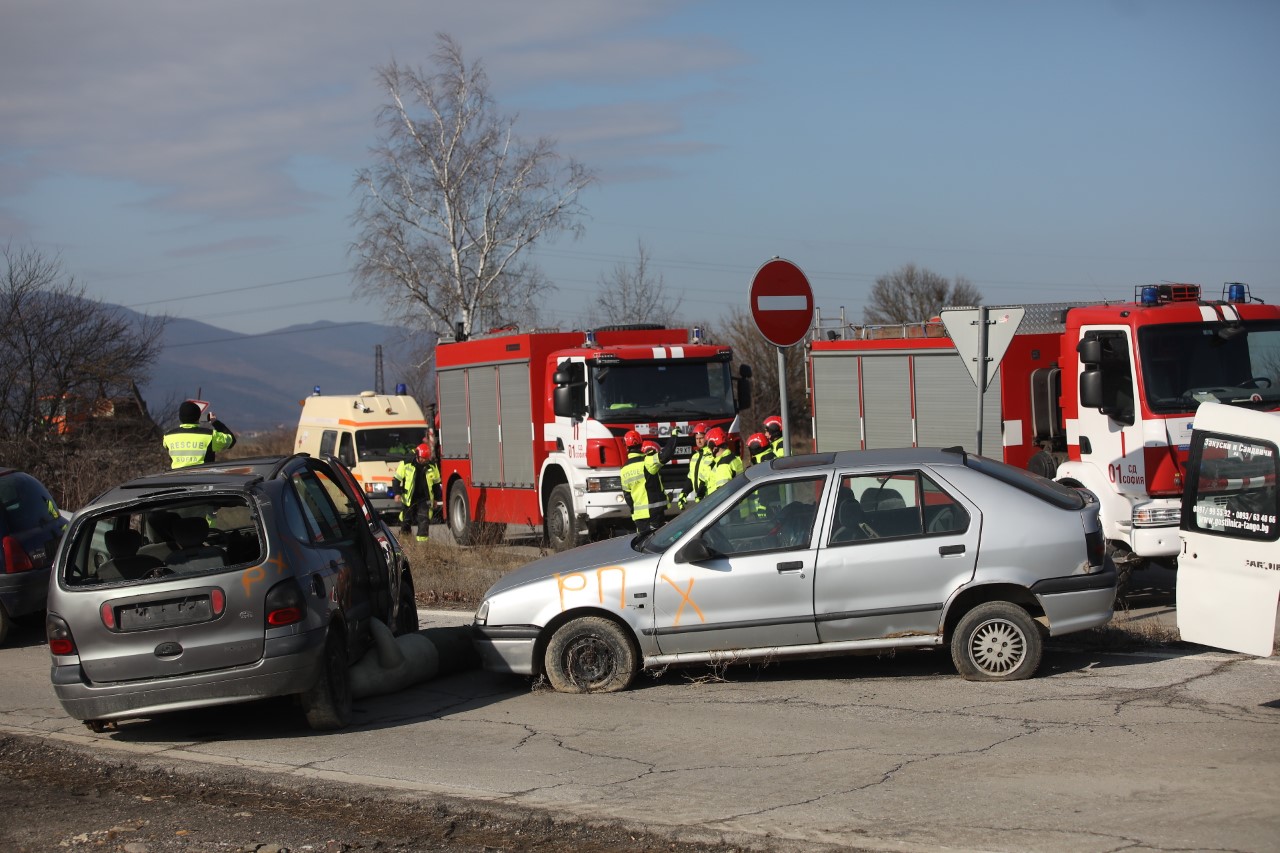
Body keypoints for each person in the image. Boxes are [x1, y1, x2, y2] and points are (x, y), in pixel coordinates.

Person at [620, 429, 678, 534]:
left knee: (643, 544)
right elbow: (666, 454)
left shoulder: (624, 469)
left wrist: (634, 512)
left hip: (639, 518)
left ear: (626, 447)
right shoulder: (647, 462)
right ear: (641, 444)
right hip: (654, 515)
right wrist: (674, 436)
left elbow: (627, 496)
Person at [163, 401, 236, 469]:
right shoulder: (210, 435)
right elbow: (231, 440)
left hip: (176, 478)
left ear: (180, 417)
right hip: (202, 479)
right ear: (198, 417)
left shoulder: (168, 436)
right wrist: (215, 422)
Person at [392, 443, 439, 542]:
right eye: (422, 458)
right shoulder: (405, 464)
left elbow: (436, 484)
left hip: (424, 499)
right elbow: (396, 480)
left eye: (426, 458)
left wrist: (436, 499)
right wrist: (397, 493)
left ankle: (422, 547)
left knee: (424, 520)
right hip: (409, 498)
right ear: (417, 455)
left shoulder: (432, 466)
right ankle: (405, 542)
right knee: (406, 521)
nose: (424, 460)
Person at [677, 422, 713, 509]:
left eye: (701, 438)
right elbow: (691, 477)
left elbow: (708, 478)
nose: (699, 441)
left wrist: (701, 493)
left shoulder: (712, 454)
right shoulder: (695, 457)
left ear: (707, 437)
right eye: (697, 438)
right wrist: (684, 493)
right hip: (699, 499)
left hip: (710, 497)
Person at [704, 427, 743, 496]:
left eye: (709, 447)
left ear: (714, 448)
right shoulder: (733, 457)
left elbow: (723, 494)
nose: (709, 450)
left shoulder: (723, 465)